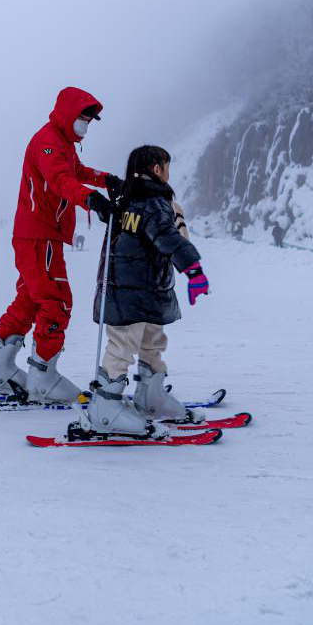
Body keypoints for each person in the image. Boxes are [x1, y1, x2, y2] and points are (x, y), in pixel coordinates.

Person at [0, 86, 121, 403]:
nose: (86, 124)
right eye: (84, 116)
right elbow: (60, 180)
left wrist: (107, 180)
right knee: (56, 301)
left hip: (38, 234)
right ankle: (43, 377)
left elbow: (76, 171)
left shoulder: (64, 143)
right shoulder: (48, 142)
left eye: (90, 119)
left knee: (30, 300)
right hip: (38, 234)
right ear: (68, 113)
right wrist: (90, 199)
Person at [86, 145, 210, 438]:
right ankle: (105, 410)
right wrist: (193, 269)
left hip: (146, 290)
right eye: (167, 167)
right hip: (131, 292)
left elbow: (120, 223)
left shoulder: (129, 199)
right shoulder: (151, 203)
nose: (168, 173)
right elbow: (167, 237)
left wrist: (96, 203)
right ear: (157, 169)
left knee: (153, 340)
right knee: (122, 346)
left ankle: (150, 397)